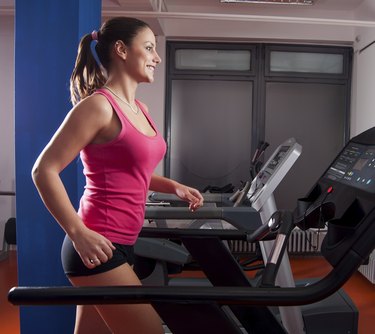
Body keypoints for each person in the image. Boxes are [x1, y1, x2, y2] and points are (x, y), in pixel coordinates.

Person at [32, 16, 204, 334]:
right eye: (149, 48)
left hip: (123, 243)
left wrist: (174, 186)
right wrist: (78, 233)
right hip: (97, 244)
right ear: (122, 50)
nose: (157, 57)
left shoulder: (140, 109)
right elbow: (44, 170)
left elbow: (131, 171)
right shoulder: (98, 107)